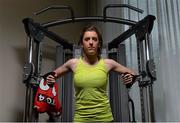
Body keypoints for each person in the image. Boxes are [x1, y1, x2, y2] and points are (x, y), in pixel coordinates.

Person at [46, 25, 136, 122]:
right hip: (81, 119)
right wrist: (50, 79)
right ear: (81, 44)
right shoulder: (73, 63)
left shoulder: (108, 63)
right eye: (87, 39)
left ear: (99, 43)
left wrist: (130, 78)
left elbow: (133, 73)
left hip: (104, 118)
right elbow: (51, 75)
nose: (91, 42)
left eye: (94, 39)